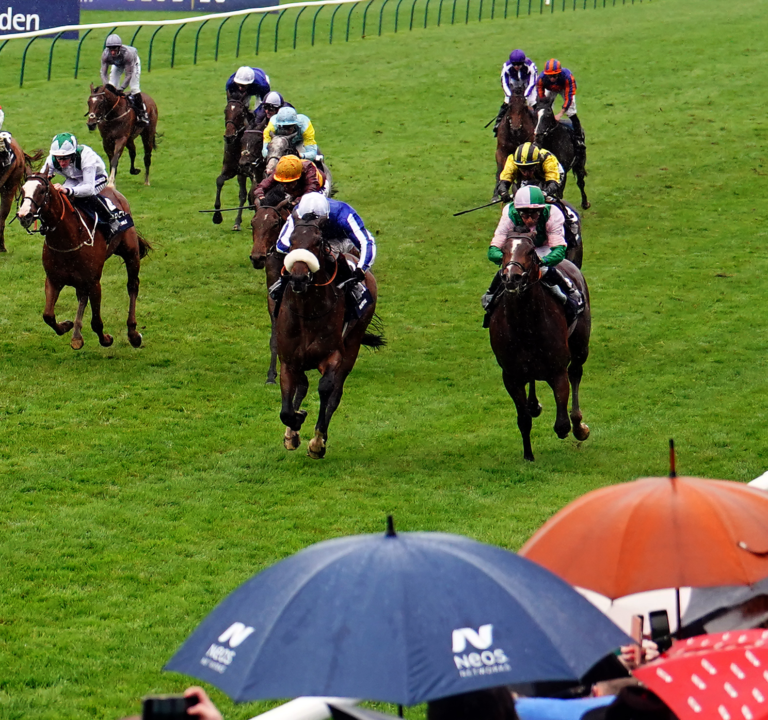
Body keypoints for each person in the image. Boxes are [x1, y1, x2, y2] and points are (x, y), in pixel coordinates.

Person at [482, 186, 584, 327]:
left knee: (545, 270)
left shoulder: (553, 214)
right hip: (518, 250)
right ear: (517, 211)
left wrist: (543, 261)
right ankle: (490, 297)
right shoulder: (509, 214)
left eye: (534, 214)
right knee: (508, 272)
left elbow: (559, 250)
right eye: (524, 215)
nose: (529, 220)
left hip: (544, 247)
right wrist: (511, 262)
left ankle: (570, 294)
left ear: (541, 210)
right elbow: (493, 249)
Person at [270, 192, 376, 318]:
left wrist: (361, 269)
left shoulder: (344, 214)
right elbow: (281, 244)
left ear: (325, 217)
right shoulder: (298, 213)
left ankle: (353, 288)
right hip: (308, 239)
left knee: (329, 254)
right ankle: (283, 283)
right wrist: (302, 252)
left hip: (338, 239)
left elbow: (366, 242)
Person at [44, 132, 123, 239]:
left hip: (96, 177)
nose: (62, 162)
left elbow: (89, 188)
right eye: (59, 158)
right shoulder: (51, 159)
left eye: (66, 158)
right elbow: (42, 179)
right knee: (59, 196)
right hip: (74, 179)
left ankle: (111, 219)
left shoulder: (86, 157)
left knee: (85, 197)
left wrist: (68, 190)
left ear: (73, 154)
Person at [100, 34, 149, 126]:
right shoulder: (105, 55)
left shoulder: (128, 54)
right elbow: (103, 73)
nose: (113, 52)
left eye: (115, 49)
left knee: (134, 88)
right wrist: (106, 86)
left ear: (119, 47)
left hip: (132, 64)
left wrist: (121, 88)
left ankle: (142, 114)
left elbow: (129, 74)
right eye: (111, 49)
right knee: (111, 85)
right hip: (117, 64)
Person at [535, 58, 584, 148]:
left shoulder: (568, 77)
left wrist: (560, 114)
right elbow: (540, 94)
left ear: (559, 73)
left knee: (571, 112)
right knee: (543, 111)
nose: (552, 78)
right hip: (550, 89)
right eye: (550, 76)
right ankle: (538, 133)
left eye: (554, 76)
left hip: (564, 88)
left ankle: (579, 138)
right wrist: (543, 103)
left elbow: (569, 98)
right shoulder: (541, 79)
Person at [498, 142, 564, 201]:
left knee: (545, 197)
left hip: (552, 176)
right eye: (522, 169)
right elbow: (504, 180)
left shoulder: (548, 159)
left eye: (530, 168)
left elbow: (553, 182)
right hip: (525, 177)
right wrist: (504, 192)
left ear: (537, 163)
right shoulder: (512, 160)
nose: (526, 173)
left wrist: (545, 193)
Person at [494, 49, 538, 134]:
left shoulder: (531, 66)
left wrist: (525, 96)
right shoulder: (506, 67)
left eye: (519, 64)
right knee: (506, 102)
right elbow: (504, 83)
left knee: (533, 102)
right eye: (514, 64)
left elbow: (532, 82)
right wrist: (510, 96)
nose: (516, 66)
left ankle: (539, 124)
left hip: (527, 82)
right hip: (514, 82)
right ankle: (497, 124)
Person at [254, 155, 323, 205]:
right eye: (282, 182)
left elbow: (311, 190)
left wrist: (297, 201)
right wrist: (261, 196)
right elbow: (261, 186)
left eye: (289, 183)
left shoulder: (308, 170)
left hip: (318, 187)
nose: (285, 185)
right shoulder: (280, 170)